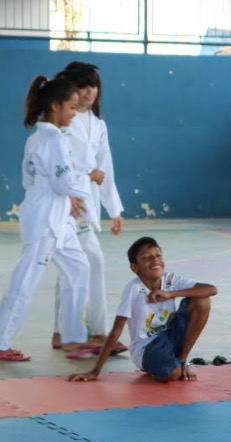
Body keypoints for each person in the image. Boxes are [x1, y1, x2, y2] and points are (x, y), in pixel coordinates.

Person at [0, 75, 90, 362]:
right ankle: (1, 341)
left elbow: (32, 179)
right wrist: (78, 189)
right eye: (72, 108)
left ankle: (72, 337)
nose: (75, 115)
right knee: (26, 279)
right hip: (45, 218)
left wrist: (67, 197)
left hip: (54, 212)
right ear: (55, 105)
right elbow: (62, 183)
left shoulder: (37, 137)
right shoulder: (53, 139)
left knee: (78, 267)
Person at [67, 236, 217, 382]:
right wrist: (95, 371)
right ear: (135, 267)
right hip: (147, 348)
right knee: (174, 374)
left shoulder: (171, 280)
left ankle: (182, 360)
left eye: (158, 255)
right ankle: (165, 367)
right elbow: (116, 330)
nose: (155, 260)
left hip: (171, 337)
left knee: (202, 301)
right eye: (147, 258)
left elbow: (212, 289)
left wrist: (171, 294)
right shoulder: (133, 289)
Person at [51, 62, 125, 351]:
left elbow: (105, 168)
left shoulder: (98, 124)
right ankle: (97, 332)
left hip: (86, 201)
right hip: (66, 200)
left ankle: (63, 331)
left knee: (73, 265)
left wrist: (114, 210)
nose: (89, 91)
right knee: (91, 260)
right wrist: (74, 188)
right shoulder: (61, 124)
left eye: (93, 85)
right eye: (82, 85)